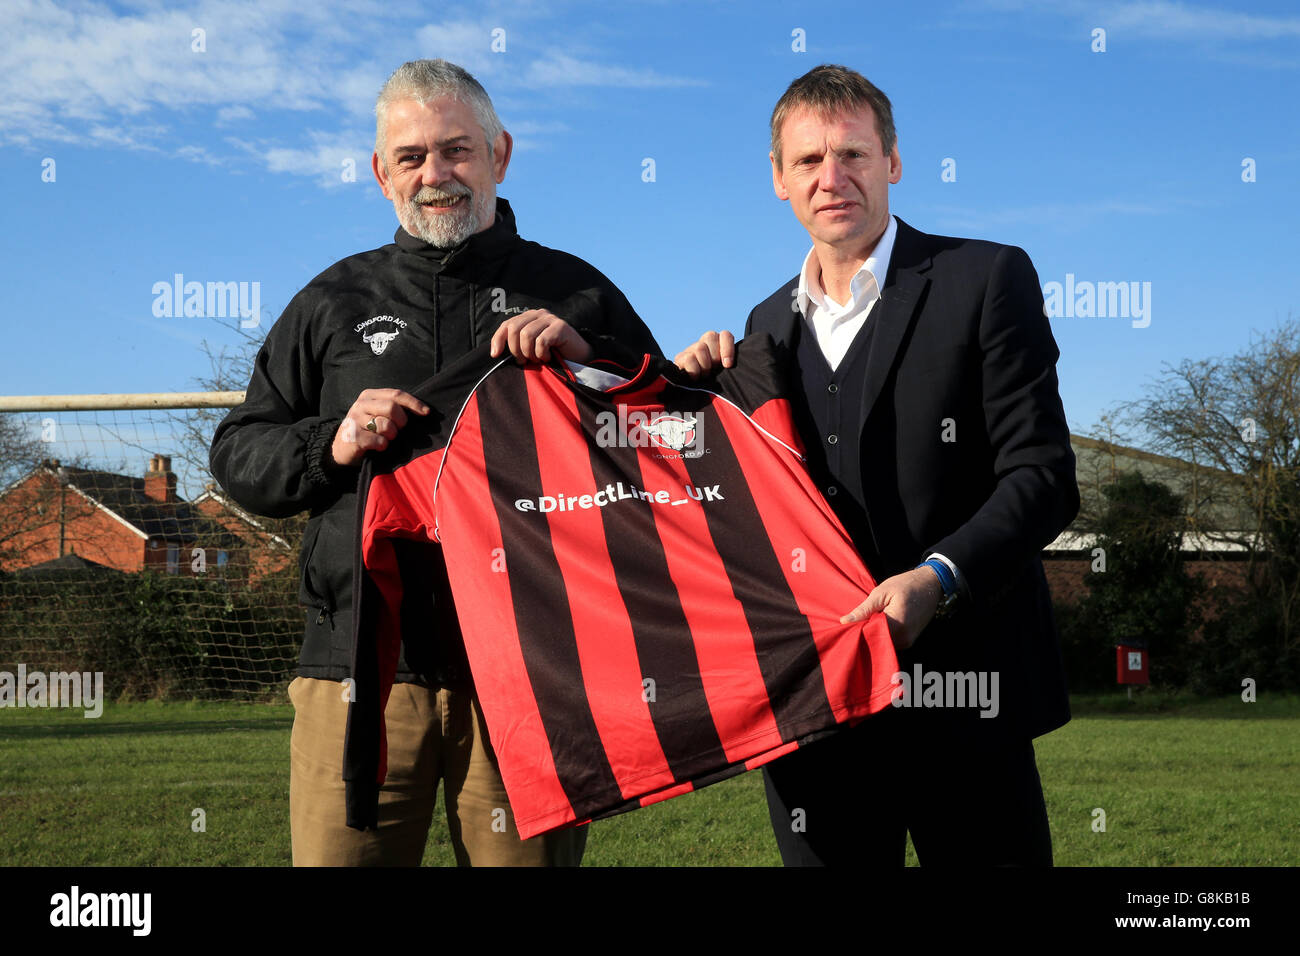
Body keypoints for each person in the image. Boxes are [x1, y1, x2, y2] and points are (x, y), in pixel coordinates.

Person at [210, 58, 660, 866]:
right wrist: (332, 441)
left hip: (532, 673)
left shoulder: (577, 294)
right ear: (381, 173)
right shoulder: (331, 302)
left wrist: (589, 357)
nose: (436, 174)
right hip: (357, 674)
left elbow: (664, 447)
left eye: (456, 150)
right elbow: (238, 455)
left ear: (501, 154)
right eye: (412, 157)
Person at [675, 64, 1078, 866]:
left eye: (854, 155)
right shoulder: (762, 331)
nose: (833, 179)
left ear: (892, 161)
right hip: (816, 712)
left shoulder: (987, 278)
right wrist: (695, 399)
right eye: (809, 162)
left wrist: (937, 578)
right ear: (779, 180)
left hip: (970, 697)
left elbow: (1042, 478)